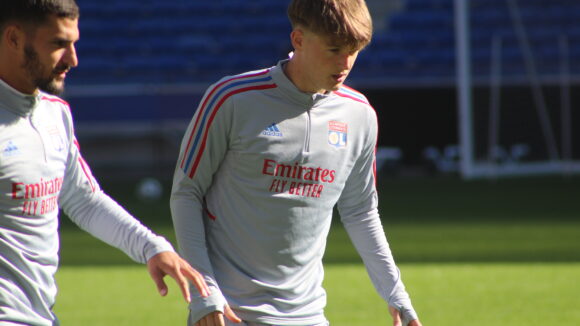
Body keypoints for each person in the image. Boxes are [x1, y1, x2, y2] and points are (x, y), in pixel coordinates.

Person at [171, 0, 422, 325]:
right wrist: (205, 294)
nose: (345, 63)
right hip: (228, 314)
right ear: (298, 40)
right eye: (333, 49)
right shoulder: (231, 99)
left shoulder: (359, 115)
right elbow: (186, 193)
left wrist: (396, 294)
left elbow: (360, 211)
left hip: (308, 316)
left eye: (354, 50)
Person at [0, 0, 211, 325]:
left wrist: (152, 247)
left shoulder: (55, 113)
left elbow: (83, 199)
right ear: (13, 38)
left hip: (41, 316)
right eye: (58, 44)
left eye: (74, 43)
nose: (73, 59)